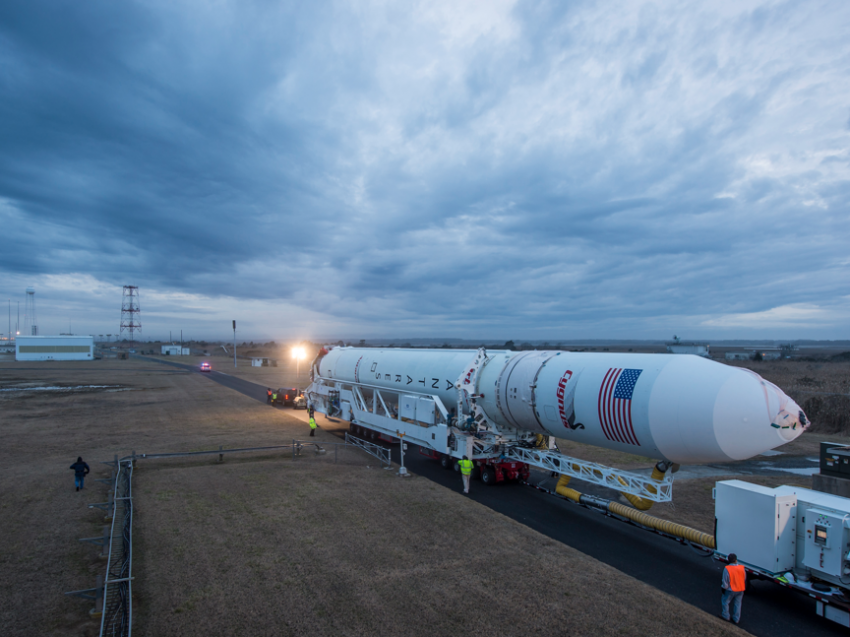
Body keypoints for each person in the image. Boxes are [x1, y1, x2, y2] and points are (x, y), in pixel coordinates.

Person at [721, 553, 746, 624]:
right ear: (736, 559)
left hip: (730, 589)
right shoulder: (742, 568)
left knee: (725, 601)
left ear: (728, 560)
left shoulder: (727, 568)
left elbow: (725, 581)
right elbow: (744, 578)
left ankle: (725, 616)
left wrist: (723, 588)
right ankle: (736, 619)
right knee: (738, 604)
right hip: (740, 589)